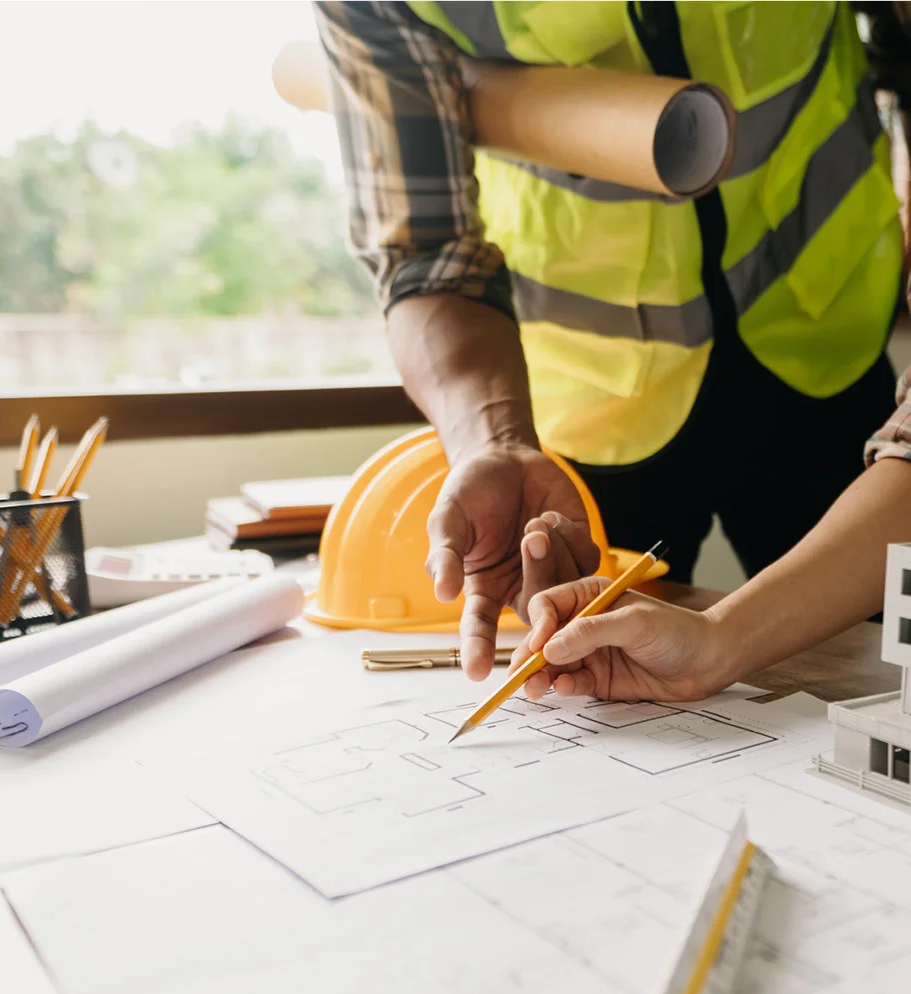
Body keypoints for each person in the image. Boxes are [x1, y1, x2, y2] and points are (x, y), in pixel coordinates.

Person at [314, 1, 911, 681]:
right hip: (597, 396)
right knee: (607, 691)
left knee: (890, 679)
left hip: (825, 334)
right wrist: (492, 440)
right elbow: (426, 251)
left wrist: (724, 639)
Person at [510, 368, 911, 700]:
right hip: (614, 418)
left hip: (815, 392)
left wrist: (716, 642)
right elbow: (455, 278)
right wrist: (714, 645)